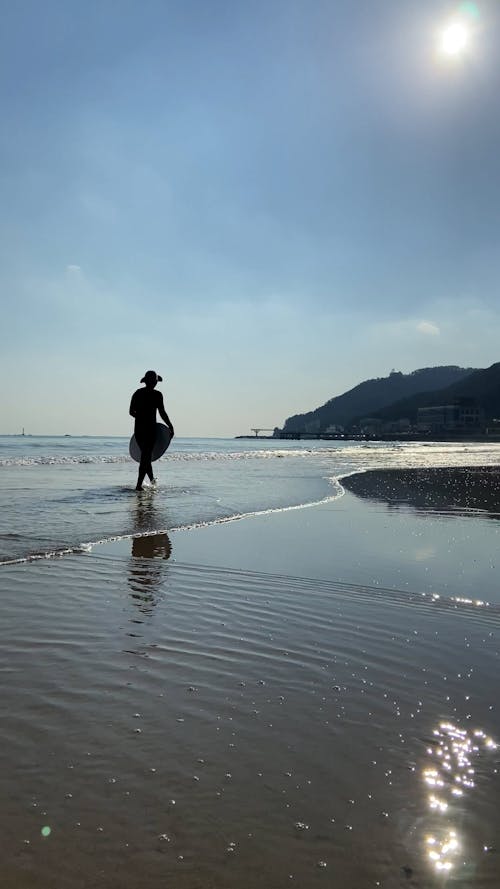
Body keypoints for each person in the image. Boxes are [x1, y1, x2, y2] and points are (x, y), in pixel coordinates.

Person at [129, 370, 174, 491]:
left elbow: (131, 412)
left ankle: (152, 481)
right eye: (154, 381)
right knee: (146, 456)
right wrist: (170, 426)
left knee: (146, 456)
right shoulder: (156, 395)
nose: (154, 383)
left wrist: (140, 417)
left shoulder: (138, 393)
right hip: (149, 429)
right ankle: (139, 485)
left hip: (140, 429)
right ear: (152, 382)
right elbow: (162, 412)